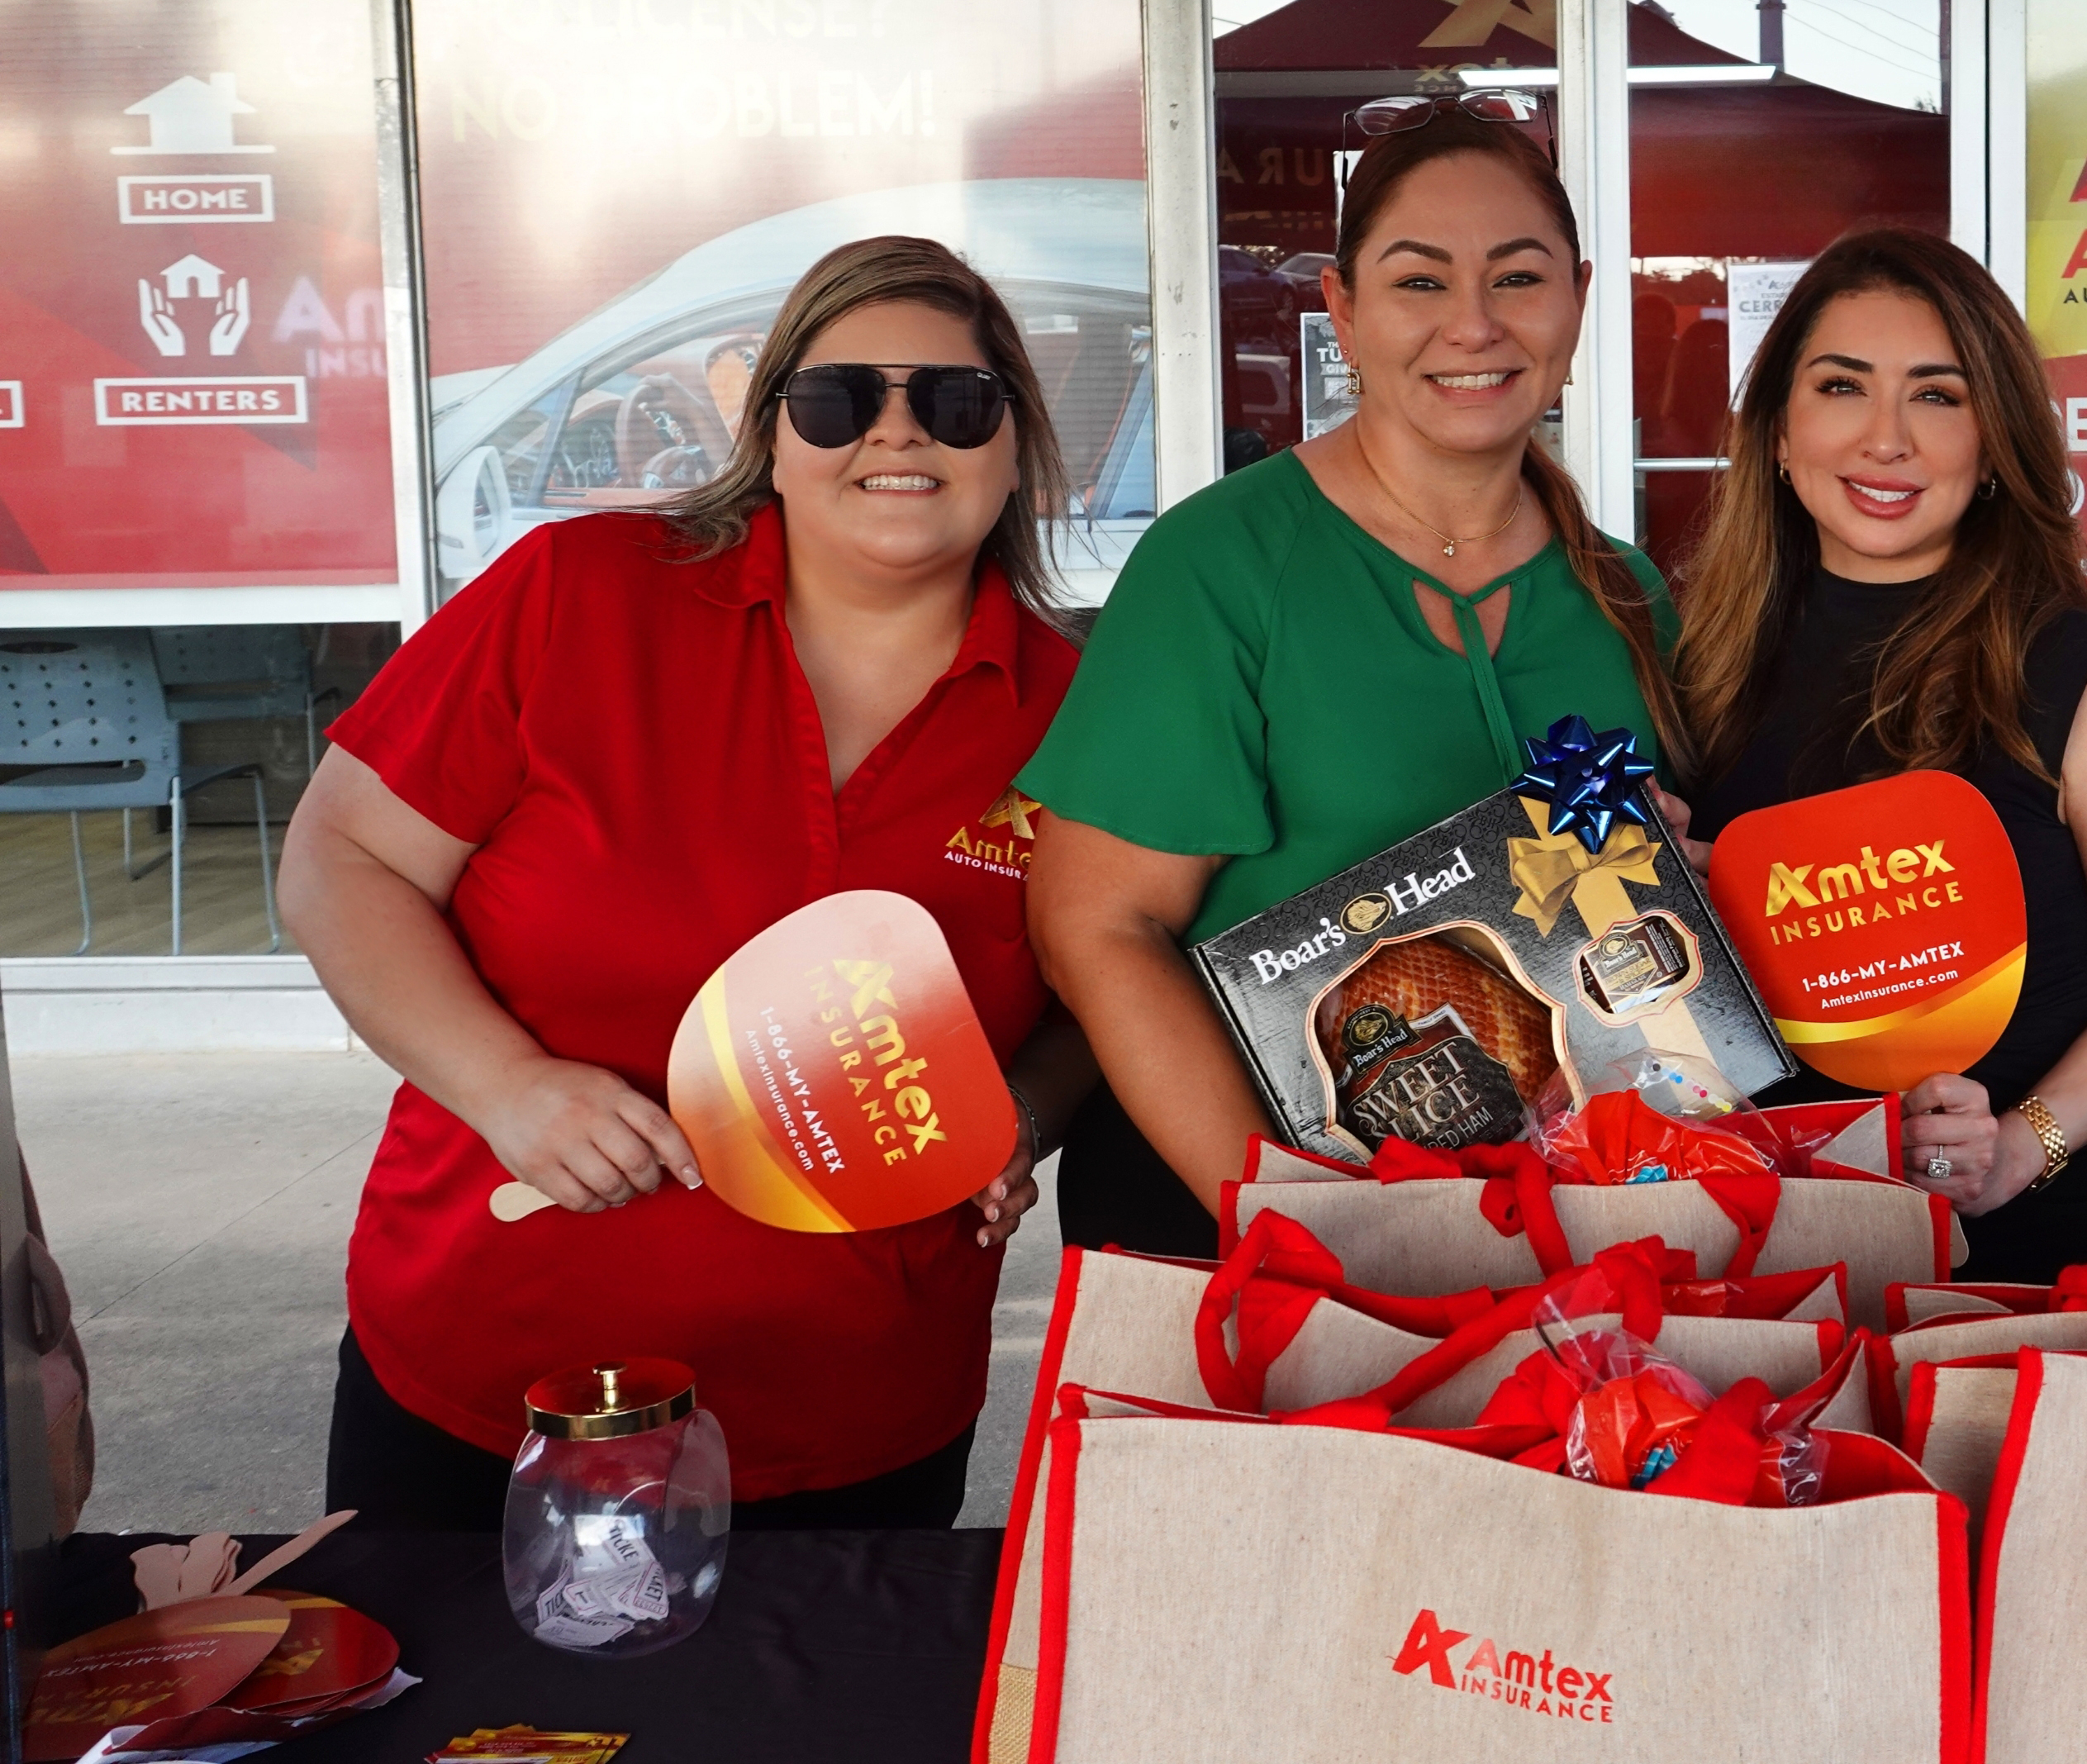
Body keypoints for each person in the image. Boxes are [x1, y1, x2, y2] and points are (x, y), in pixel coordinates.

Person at [280, 237, 1098, 1527]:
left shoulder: (1083, 719)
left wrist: (1022, 1116)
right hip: (484, 1375)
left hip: (856, 1411)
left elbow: (1101, 988)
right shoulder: (577, 595)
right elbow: (342, 860)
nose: (897, 431)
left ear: (1016, 445)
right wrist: (506, 1087)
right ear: (771, 433)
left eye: (956, 399)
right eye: (838, 399)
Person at [1021, 97, 1683, 1249]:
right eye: (1420, 281)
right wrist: (1283, 1213)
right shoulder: (1220, 564)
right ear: (1343, 307)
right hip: (1238, 1216)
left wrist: (1667, 874)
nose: (1473, 325)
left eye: (1518, 279)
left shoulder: (1624, 592)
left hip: (1559, 1221)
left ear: (1577, 297)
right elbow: (1096, 928)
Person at [1677, 230, 2087, 1283]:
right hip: (1781, 1251)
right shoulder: (1701, 668)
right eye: (1842, 387)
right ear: (1778, 430)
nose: (1887, 439)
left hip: (2056, 1257)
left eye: (1937, 395)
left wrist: (2019, 1145)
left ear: (1995, 441)